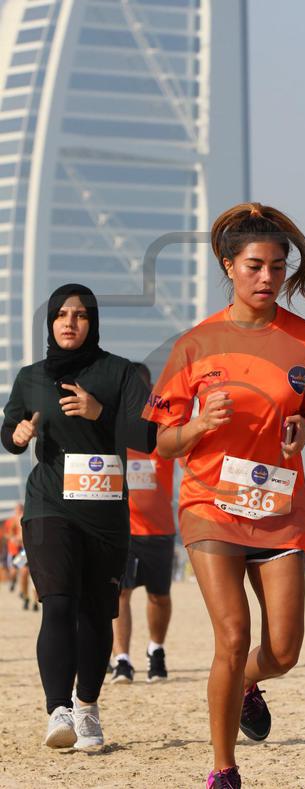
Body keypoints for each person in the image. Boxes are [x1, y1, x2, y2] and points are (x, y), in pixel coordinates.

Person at [142, 203, 305, 789]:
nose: (267, 277)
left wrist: (304, 430)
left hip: (278, 508)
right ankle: (223, 769)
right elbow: (162, 442)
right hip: (210, 504)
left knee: (284, 651)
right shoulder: (196, 344)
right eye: (254, 266)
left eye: (277, 266)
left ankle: (248, 681)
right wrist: (199, 425)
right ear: (230, 266)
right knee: (232, 634)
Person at [1, 284, 155, 750]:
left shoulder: (120, 372)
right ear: (50, 322)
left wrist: (100, 412)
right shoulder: (31, 377)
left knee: (96, 613)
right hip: (49, 506)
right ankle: (58, 710)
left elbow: (148, 436)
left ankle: (87, 706)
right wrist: (18, 435)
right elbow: (8, 431)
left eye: (81, 315)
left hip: (105, 511)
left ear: (93, 322)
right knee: (58, 603)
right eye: (61, 315)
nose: (70, 322)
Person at [111, 362, 176, 684]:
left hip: (160, 529)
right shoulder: (112, 427)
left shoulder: (163, 428)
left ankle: (156, 650)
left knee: (158, 596)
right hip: (122, 528)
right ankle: (121, 659)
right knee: (120, 594)